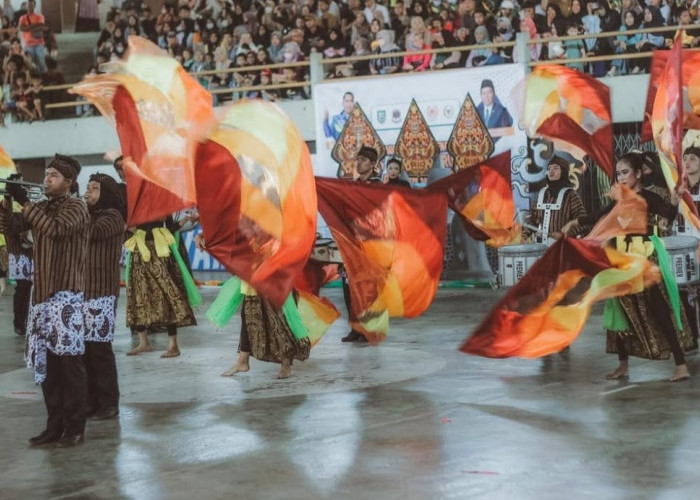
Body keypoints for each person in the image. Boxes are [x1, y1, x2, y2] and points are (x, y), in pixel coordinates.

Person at [562, 152, 694, 382]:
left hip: (644, 258)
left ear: (639, 173)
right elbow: (600, 215)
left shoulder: (649, 197)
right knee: (619, 308)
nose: (621, 178)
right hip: (621, 257)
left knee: (658, 307)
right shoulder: (619, 199)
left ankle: (681, 365)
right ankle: (623, 366)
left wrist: (673, 203)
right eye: (619, 173)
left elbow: (668, 216)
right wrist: (576, 222)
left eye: (625, 173)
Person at [1, 154, 90, 447]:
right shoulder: (40, 206)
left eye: (53, 175)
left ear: (69, 181)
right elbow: (11, 227)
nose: (47, 178)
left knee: (69, 364)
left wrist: (24, 202)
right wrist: (8, 199)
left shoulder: (77, 207)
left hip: (66, 296)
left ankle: (75, 427)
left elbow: (54, 229)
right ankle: (54, 425)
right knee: (48, 366)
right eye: (47, 173)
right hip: (41, 297)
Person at [196, 234, 310, 379]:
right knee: (248, 315)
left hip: (273, 267)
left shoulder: (273, 215)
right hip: (252, 267)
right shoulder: (245, 216)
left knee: (279, 317)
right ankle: (242, 361)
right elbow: (229, 227)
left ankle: (286, 363)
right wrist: (204, 236)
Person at [124, 214, 197, 359]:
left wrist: (183, 221)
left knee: (167, 294)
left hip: (160, 251)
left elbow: (169, 227)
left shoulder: (161, 203)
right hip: (140, 251)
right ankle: (143, 342)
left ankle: (173, 345)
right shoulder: (136, 201)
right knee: (138, 293)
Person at [82, 174, 125, 420]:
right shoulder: (89, 214)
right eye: (87, 188)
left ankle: (109, 403)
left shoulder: (113, 217)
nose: (88, 192)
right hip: (82, 291)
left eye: (94, 189)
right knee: (84, 352)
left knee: (99, 351)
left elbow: (93, 232)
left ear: (106, 193)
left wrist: (77, 207)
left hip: (102, 294)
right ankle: (91, 401)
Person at [341, 145, 382, 343]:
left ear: (373, 165)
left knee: (370, 289)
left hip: (372, 244)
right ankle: (355, 328)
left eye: (364, 160)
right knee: (349, 286)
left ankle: (370, 329)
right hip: (353, 243)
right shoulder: (352, 186)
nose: (359, 162)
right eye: (357, 159)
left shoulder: (377, 187)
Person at [0, 173, 33, 336]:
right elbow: (6, 224)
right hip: (19, 251)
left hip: (32, 251)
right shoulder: (11, 202)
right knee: (23, 288)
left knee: (29, 289)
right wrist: (9, 197)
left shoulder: (28, 200)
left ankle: (27, 321)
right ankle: (19, 322)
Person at [527, 156, 587, 244]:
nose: (551, 171)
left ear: (563, 172)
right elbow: (532, 221)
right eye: (549, 168)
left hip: (562, 248)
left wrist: (563, 234)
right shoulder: (542, 195)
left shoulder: (570, 195)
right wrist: (523, 235)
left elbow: (583, 223)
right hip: (541, 248)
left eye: (555, 168)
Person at [17, 0, 47, 74]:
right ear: (26, 6)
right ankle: (35, 79)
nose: (30, 6)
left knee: (41, 61)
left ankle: (44, 76)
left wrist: (27, 27)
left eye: (32, 5)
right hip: (28, 44)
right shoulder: (22, 18)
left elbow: (41, 26)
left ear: (34, 6)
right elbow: (21, 28)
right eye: (29, 5)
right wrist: (35, 26)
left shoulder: (39, 16)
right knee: (32, 63)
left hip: (39, 42)